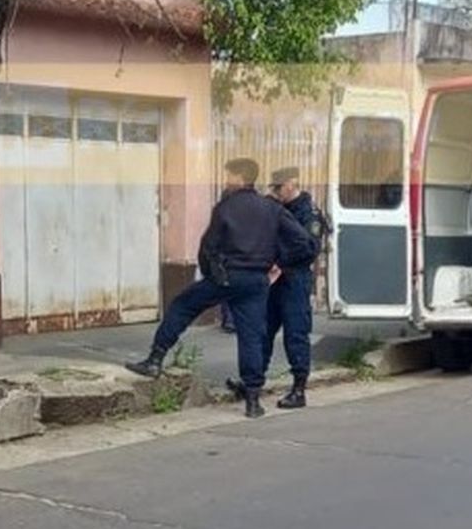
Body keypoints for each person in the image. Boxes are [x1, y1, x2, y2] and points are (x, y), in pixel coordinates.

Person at [126, 158, 316, 418]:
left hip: (228, 276)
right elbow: (304, 243)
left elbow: (208, 246)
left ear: (240, 177)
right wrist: (276, 260)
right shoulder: (270, 209)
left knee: (183, 305)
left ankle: (155, 359)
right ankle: (252, 400)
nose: (226, 180)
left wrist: (211, 273)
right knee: (252, 336)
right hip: (257, 282)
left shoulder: (226, 207)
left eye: (229, 175)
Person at [262, 167, 327, 409]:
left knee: (295, 334)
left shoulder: (308, 213)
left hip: (295, 280)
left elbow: (310, 249)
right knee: (262, 331)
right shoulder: (278, 209)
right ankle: (253, 382)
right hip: (273, 280)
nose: (276, 193)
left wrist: (282, 262)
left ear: (290, 184)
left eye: (278, 188)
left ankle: (299, 389)